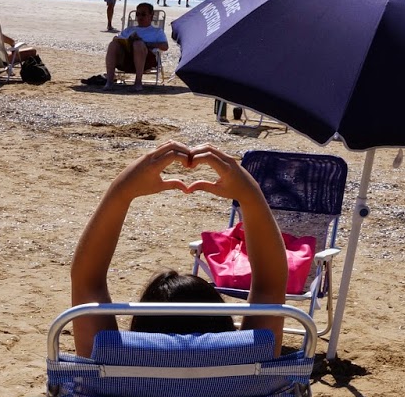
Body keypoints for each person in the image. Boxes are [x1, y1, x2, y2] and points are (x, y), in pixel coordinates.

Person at [70, 140, 289, 358]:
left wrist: (120, 191)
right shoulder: (250, 356)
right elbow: (270, 284)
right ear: (224, 324)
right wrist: (251, 195)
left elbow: (86, 280)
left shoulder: (110, 359)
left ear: (141, 325)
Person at [104, 2, 169, 89]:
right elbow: (116, 39)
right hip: (126, 60)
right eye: (137, 14)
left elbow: (165, 46)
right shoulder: (129, 29)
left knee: (138, 44)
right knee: (113, 44)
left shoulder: (157, 31)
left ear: (151, 15)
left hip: (146, 61)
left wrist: (146, 44)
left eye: (143, 14)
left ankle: (138, 82)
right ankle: (109, 81)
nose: (140, 17)